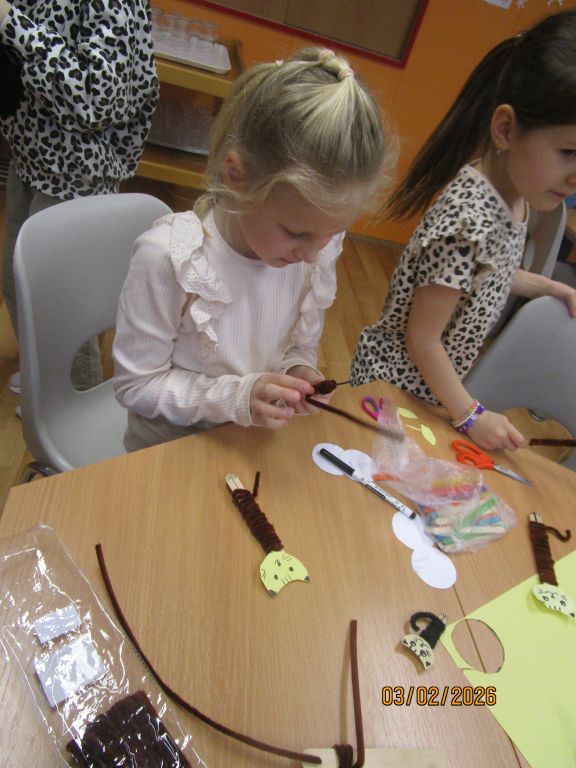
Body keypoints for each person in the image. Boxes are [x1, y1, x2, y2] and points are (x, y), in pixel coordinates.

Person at [113, 47, 395, 451]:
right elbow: (137, 385)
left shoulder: (314, 249)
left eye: (332, 233)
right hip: (169, 448)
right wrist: (237, 397)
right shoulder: (171, 259)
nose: (312, 254)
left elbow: (295, 345)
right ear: (237, 177)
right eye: (296, 232)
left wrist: (298, 371)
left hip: (248, 439)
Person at [350, 9, 576, 452]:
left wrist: (554, 288)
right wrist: (472, 414)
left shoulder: (515, 196)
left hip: (428, 393)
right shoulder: (467, 223)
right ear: (505, 129)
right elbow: (423, 339)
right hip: (391, 391)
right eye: (569, 152)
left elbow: (486, 278)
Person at [0, 0, 159, 393]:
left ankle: (74, 398)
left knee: (60, 303)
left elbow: (95, 100)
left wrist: (12, 24)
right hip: (30, 156)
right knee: (17, 282)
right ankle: (46, 382)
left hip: (77, 172)